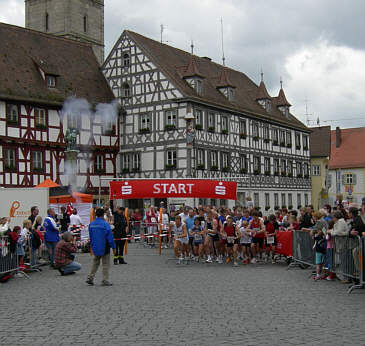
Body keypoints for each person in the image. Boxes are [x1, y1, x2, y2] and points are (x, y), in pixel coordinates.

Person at [86, 208, 116, 286]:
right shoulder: (105, 224)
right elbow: (110, 237)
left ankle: (90, 277)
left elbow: (91, 236)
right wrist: (113, 247)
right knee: (105, 264)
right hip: (104, 246)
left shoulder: (91, 224)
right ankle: (105, 280)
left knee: (95, 262)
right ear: (103, 215)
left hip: (96, 246)